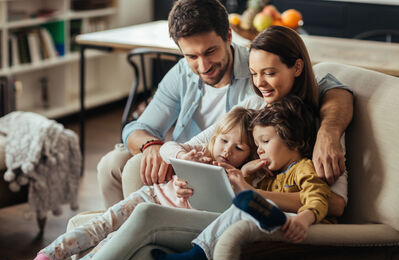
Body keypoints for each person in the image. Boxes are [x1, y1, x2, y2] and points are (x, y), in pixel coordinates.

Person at [80, 25, 353, 260]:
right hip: (227, 207)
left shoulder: (322, 123)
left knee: (145, 215)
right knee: (144, 247)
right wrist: (186, 171)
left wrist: (254, 194)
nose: (259, 83)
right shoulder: (253, 106)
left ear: (296, 67)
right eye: (255, 74)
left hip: (259, 218)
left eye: (269, 73)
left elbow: (336, 204)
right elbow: (186, 148)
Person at [97, 0, 353, 209]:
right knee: (117, 165)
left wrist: (329, 130)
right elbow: (138, 128)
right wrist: (156, 147)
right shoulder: (243, 93)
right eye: (191, 56)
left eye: (210, 52)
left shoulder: (261, 73)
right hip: (194, 164)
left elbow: (328, 84)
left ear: (229, 36)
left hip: (232, 180)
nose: (203, 66)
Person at [28, 107, 258, 260]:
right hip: (150, 195)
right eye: (224, 141)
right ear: (215, 138)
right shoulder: (197, 153)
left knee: (114, 240)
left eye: (239, 148)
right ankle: (48, 255)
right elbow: (168, 148)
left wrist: (241, 177)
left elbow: (223, 209)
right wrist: (183, 162)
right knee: (103, 223)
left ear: (250, 154)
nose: (227, 151)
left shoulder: (233, 178)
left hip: (166, 215)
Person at [151, 96, 334, 260]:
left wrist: (305, 218)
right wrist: (242, 175)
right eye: (257, 144)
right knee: (243, 205)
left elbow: (318, 196)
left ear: (294, 141)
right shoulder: (270, 176)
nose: (260, 151)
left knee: (248, 205)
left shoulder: (304, 168)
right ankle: (268, 214)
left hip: (304, 225)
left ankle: (197, 254)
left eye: (265, 141)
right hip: (273, 225)